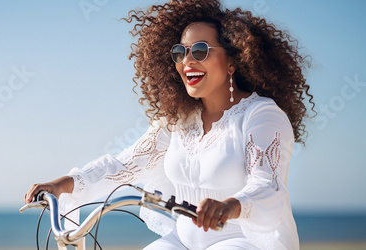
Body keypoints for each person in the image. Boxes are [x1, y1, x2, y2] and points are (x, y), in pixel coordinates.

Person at [24, 0, 314, 249]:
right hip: (184, 239)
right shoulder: (178, 121)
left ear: (232, 62)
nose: (187, 61)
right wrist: (63, 184)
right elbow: (124, 165)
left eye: (200, 50)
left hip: (244, 241)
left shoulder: (261, 115)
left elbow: (268, 186)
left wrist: (230, 206)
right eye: (180, 52)